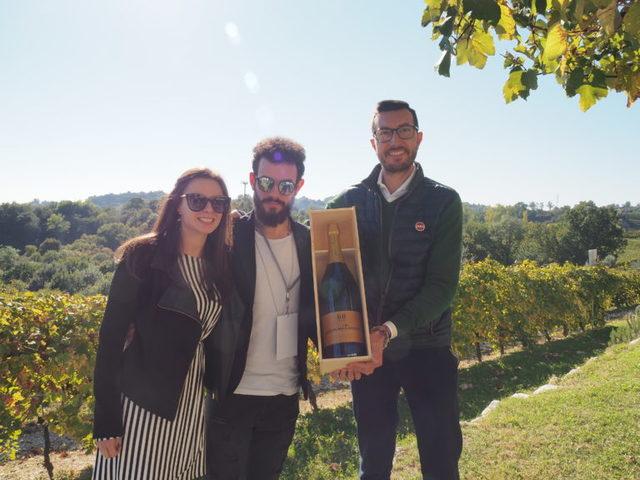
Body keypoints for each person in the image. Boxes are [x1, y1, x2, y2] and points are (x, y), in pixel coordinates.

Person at [328, 100, 463, 480]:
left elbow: (442, 287)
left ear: (418, 138)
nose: (395, 140)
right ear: (374, 143)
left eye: (404, 130)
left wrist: (385, 332)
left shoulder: (443, 201)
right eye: (385, 132)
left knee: (441, 460)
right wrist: (340, 347)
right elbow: (329, 279)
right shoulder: (345, 204)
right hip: (369, 355)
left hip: (427, 346)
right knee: (373, 462)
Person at [92, 168, 232, 480]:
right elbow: (110, 341)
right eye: (197, 200)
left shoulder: (219, 266)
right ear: (177, 204)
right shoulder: (142, 256)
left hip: (191, 405)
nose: (209, 209)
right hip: (142, 406)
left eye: (218, 203)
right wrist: (106, 422)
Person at [207, 137, 317, 480]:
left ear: (298, 187)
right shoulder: (226, 235)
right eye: (267, 182)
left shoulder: (310, 242)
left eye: (285, 186)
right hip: (232, 395)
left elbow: (318, 312)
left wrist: (347, 354)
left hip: (284, 397)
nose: (275, 193)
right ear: (253, 180)